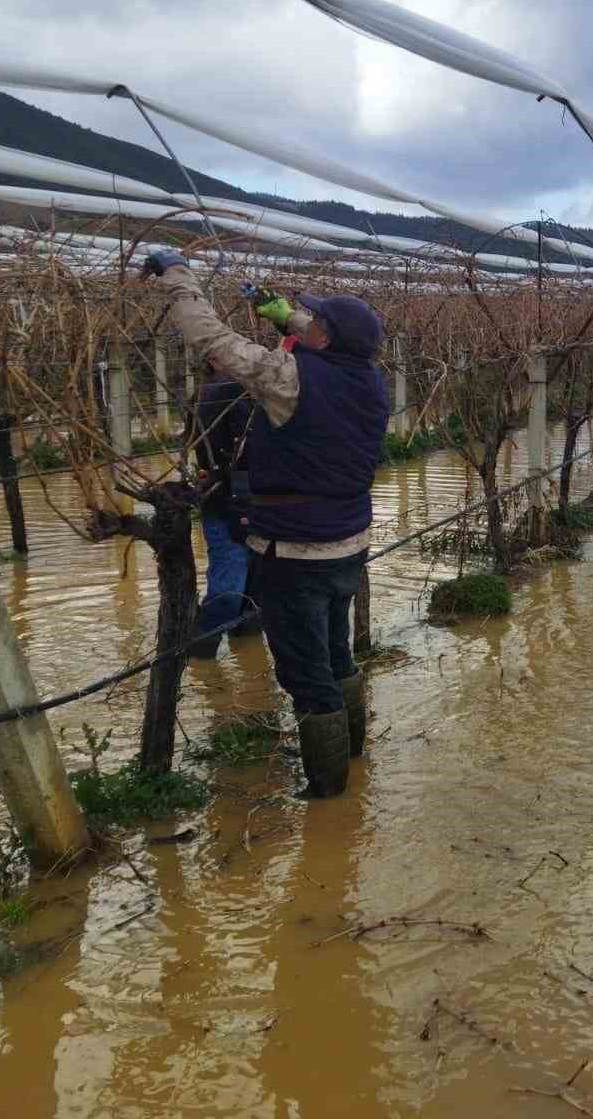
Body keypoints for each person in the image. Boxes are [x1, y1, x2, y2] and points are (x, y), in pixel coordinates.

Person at [143, 250, 389, 798]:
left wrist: (178, 275)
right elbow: (332, 338)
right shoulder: (371, 378)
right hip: (348, 545)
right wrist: (273, 308)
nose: (310, 322)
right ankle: (352, 759)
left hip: (294, 553)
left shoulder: (287, 379)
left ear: (325, 338)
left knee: (306, 676)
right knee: (336, 654)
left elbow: (209, 339)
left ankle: (327, 796)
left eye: (316, 320)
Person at [189, 357, 257, 659]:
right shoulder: (235, 390)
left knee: (238, 587)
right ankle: (200, 658)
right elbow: (250, 448)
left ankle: (214, 660)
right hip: (241, 503)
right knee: (233, 592)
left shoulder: (204, 391)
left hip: (224, 499)